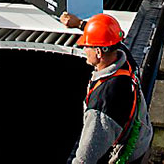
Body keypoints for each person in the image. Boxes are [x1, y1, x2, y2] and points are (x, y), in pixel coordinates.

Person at [61, 13, 152, 164]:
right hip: (143, 137)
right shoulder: (124, 59)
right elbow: (110, 38)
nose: (83, 50)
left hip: (131, 157)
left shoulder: (101, 106)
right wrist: (79, 24)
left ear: (98, 52)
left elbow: (84, 159)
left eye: (86, 46)